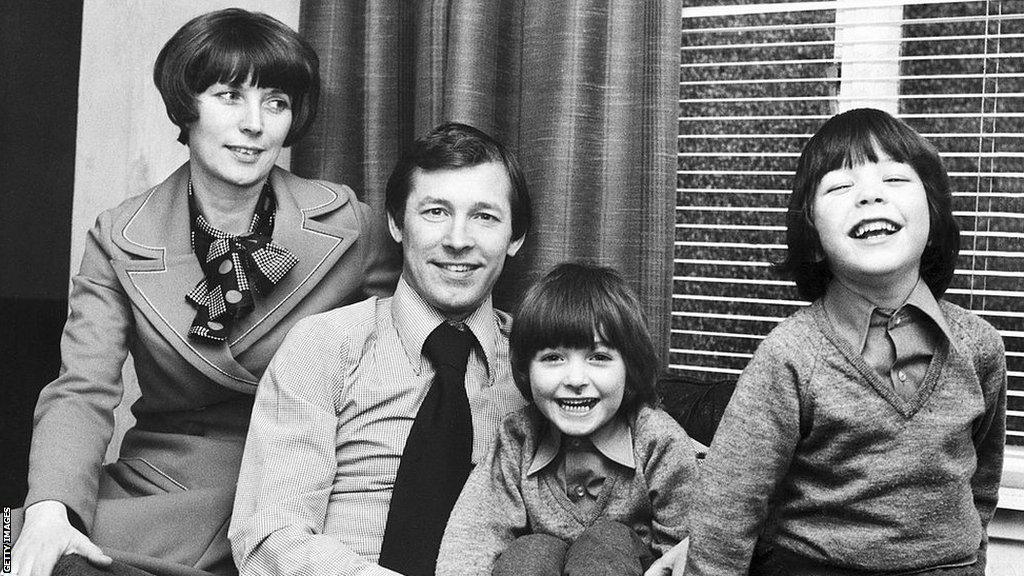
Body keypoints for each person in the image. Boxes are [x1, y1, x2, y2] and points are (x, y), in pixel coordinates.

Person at [10, 9, 396, 576]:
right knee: (7, 543)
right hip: (160, 485)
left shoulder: (351, 226)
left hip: (300, 487)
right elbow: (81, 387)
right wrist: (49, 507)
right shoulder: (120, 235)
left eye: (276, 102)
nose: (254, 124)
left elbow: (397, 371)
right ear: (185, 107)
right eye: (229, 96)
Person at [683, 108, 1007, 576]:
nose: (870, 195)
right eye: (839, 186)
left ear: (934, 216)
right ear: (812, 235)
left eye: (895, 179)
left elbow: (981, 485)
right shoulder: (790, 354)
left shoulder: (981, 347)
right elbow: (728, 505)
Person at [229, 122, 532, 576]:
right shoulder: (324, 346)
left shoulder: (540, 370)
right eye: (435, 212)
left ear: (515, 238)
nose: (457, 239)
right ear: (395, 223)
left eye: (484, 216)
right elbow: (270, 536)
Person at [435, 262, 698, 576]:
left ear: (630, 367)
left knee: (607, 541)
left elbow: (690, 550)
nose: (575, 379)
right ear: (525, 370)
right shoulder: (518, 437)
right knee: (530, 551)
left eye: (598, 357)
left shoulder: (658, 440)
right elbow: (473, 537)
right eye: (553, 358)